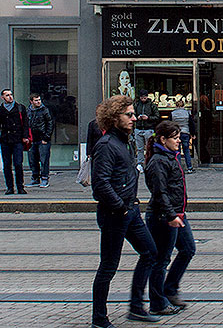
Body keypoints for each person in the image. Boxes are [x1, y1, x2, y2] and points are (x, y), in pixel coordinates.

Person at [91, 95, 158, 328]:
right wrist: (120, 208)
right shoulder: (107, 145)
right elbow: (100, 185)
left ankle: (137, 307)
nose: (133, 118)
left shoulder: (125, 141)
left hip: (131, 209)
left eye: (133, 114)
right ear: (113, 118)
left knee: (150, 253)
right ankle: (99, 319)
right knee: (108, 266)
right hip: (115, 214)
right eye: (128, 115)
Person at [144, 120, 195, 316]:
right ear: (163, 140)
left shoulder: (170, 157)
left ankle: (169, 290)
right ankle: (158, 302)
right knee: (161, 260)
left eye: (178, 138)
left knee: (188, 249)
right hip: (164, 216)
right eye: (174, 138)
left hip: (177, 213)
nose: (178, 142)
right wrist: (171, 215)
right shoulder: (158, 161)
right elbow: (159, 192)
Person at [0, 89, 32, 195]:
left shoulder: (20, 107)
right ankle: (10, 187)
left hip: (17, 139)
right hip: (5, 140)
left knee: (18, 164)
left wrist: (25, 136)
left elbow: (25, 124)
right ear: (2, 97)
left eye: (11, 94)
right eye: (7, 95)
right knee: (7, 165)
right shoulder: (0, 110)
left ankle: (20, 186)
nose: (10, 97)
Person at [28, 93, 54, 188]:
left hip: (42, 138)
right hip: (33, 139)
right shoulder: (29, 111)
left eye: (39, 100)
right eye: (36, 100)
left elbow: (50, 124)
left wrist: (46, 137)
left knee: (44, 159)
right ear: (31, 101)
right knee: (33, 160)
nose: (38, 102)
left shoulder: (45, 110)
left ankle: (44, 178)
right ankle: (35, 178)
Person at [134, 90, 159, 171]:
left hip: (148, 128)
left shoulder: (152, 105)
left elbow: (157, 117)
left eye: (144, 97)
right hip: (139, 128)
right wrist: (137, 117)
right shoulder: (137, 104)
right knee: (140, 148)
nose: (143, 99)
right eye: (142, 97)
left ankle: (149, 163)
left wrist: (148, 118)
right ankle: (140, 164)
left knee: (149, 148)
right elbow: (133, 114)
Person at [169, 99, 196, 173]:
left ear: (176, 105)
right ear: (183, 105)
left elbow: (169, 123)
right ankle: (189, 167)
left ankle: (178, 167)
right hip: (185, 132)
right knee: (186, 150)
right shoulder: (187, 113)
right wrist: (193, 134)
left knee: (177, 151)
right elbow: (191, 124)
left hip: (176, 133)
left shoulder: (173, 113)